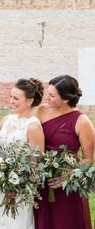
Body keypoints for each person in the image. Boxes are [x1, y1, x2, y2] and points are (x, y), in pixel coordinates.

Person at [34, 75, 94, 229]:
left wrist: (65, 178)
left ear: (66, 99)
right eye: (48, 92)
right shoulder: (40, 111)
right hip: (41, 182)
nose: (47, 97)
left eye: (52, 95)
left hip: (67, 188)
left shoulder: (82, 121)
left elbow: (88, 161)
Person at [0, 78, 45, 229]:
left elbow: (36, 164)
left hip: (19, 190)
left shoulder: (33, 126)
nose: (11, 101)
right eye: (11, 96)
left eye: (16, 98)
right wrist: (1, 167)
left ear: (29, 100)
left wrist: (16, 186)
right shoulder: (7, 119)